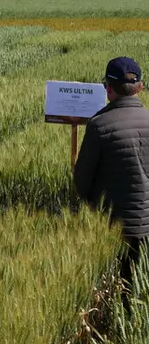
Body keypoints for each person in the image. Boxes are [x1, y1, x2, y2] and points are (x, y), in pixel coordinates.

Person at [74, 56, 149, 297]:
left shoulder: (100, 125)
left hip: (118, 223)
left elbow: (82, 180)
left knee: (125, 286)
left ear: (108, 88)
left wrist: (92, 207)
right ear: (140, 86)